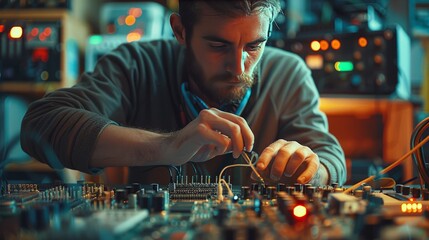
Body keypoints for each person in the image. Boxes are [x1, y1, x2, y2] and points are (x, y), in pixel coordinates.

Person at [20, 0, 346, 186]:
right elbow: (41, 124)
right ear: (180, 31)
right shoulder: (137, 64)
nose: (239, 66)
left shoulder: (289, 73)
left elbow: (331, 160)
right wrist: (167, 146)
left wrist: (313, 169)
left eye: (254, 46)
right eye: (218, 45)